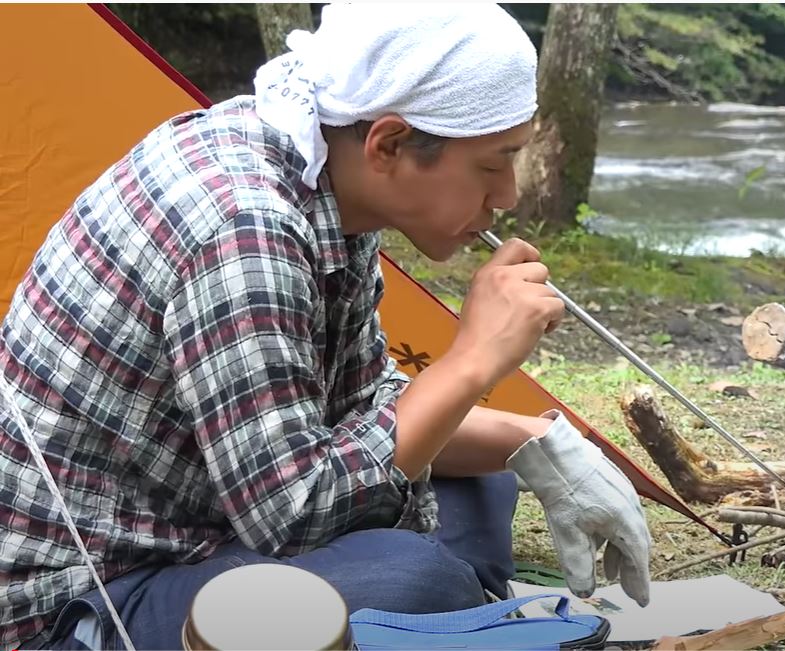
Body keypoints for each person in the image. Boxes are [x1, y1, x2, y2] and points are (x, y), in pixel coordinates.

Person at [0, 4, 651, 649]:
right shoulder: (244, 230)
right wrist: (471, 361)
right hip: (93, 593)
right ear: (390, 143)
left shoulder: (327, 178)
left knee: (485, 471)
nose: (507, 195)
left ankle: (443, 619)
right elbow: (294, 515)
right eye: (492, 164)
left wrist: (539, 441)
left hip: (221, 505)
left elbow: (358, 407)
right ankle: (444, 615)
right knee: (415, 581)